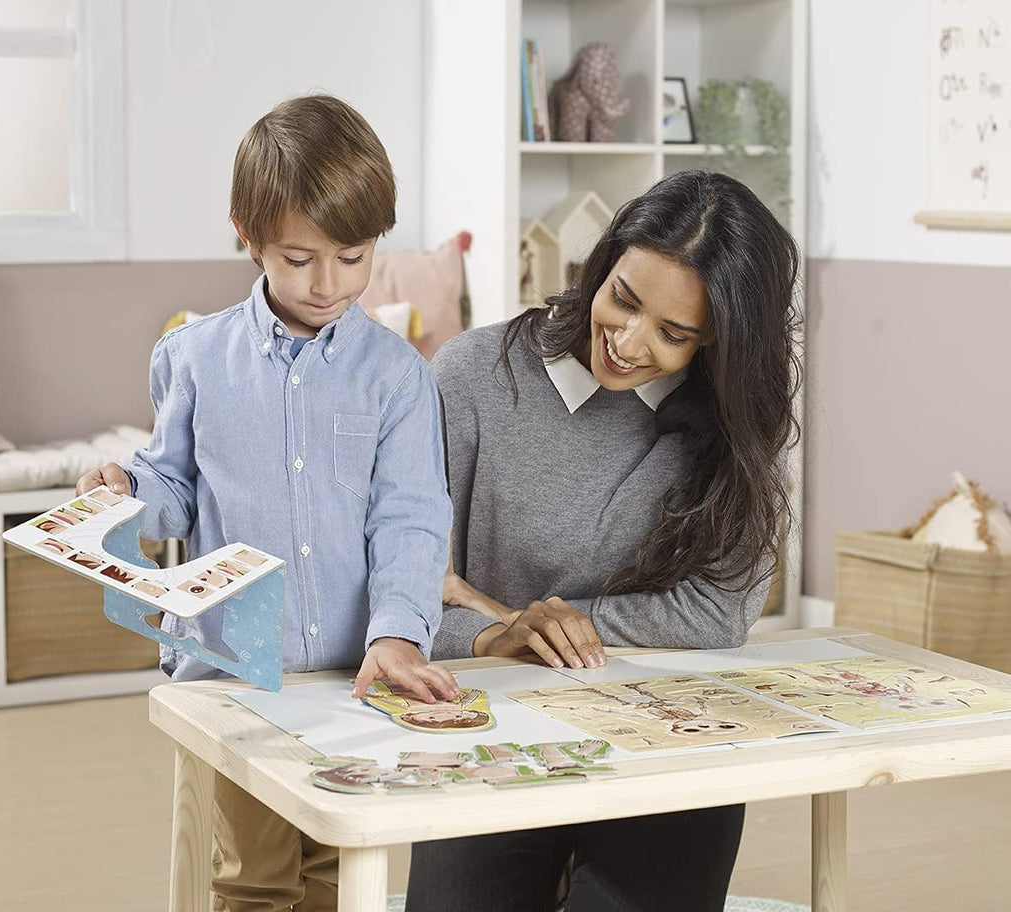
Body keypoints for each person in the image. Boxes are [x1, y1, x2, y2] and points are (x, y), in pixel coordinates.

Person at [76, 94, 455, 912]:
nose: (329, 284)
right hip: (236, 676)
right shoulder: (193, 358)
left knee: (340, 872)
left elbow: (412, 519)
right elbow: (172, 489)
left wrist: (397, 634)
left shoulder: (398, 378)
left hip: (357, 676)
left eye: (353, 258)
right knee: (252, 878)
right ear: (246, 235)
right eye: (299, 258)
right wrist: (125, 496)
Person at [407, 169, 800, 912]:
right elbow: (411, 583)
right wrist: (498, 639)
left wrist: (525, 619)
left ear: (719, 339)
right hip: (495, 729)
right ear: (604, 264)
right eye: (622, 298)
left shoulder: (736, 421)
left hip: (667, 739)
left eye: (674, 333)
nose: (627, 340)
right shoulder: (474, 376)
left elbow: (716, 617)